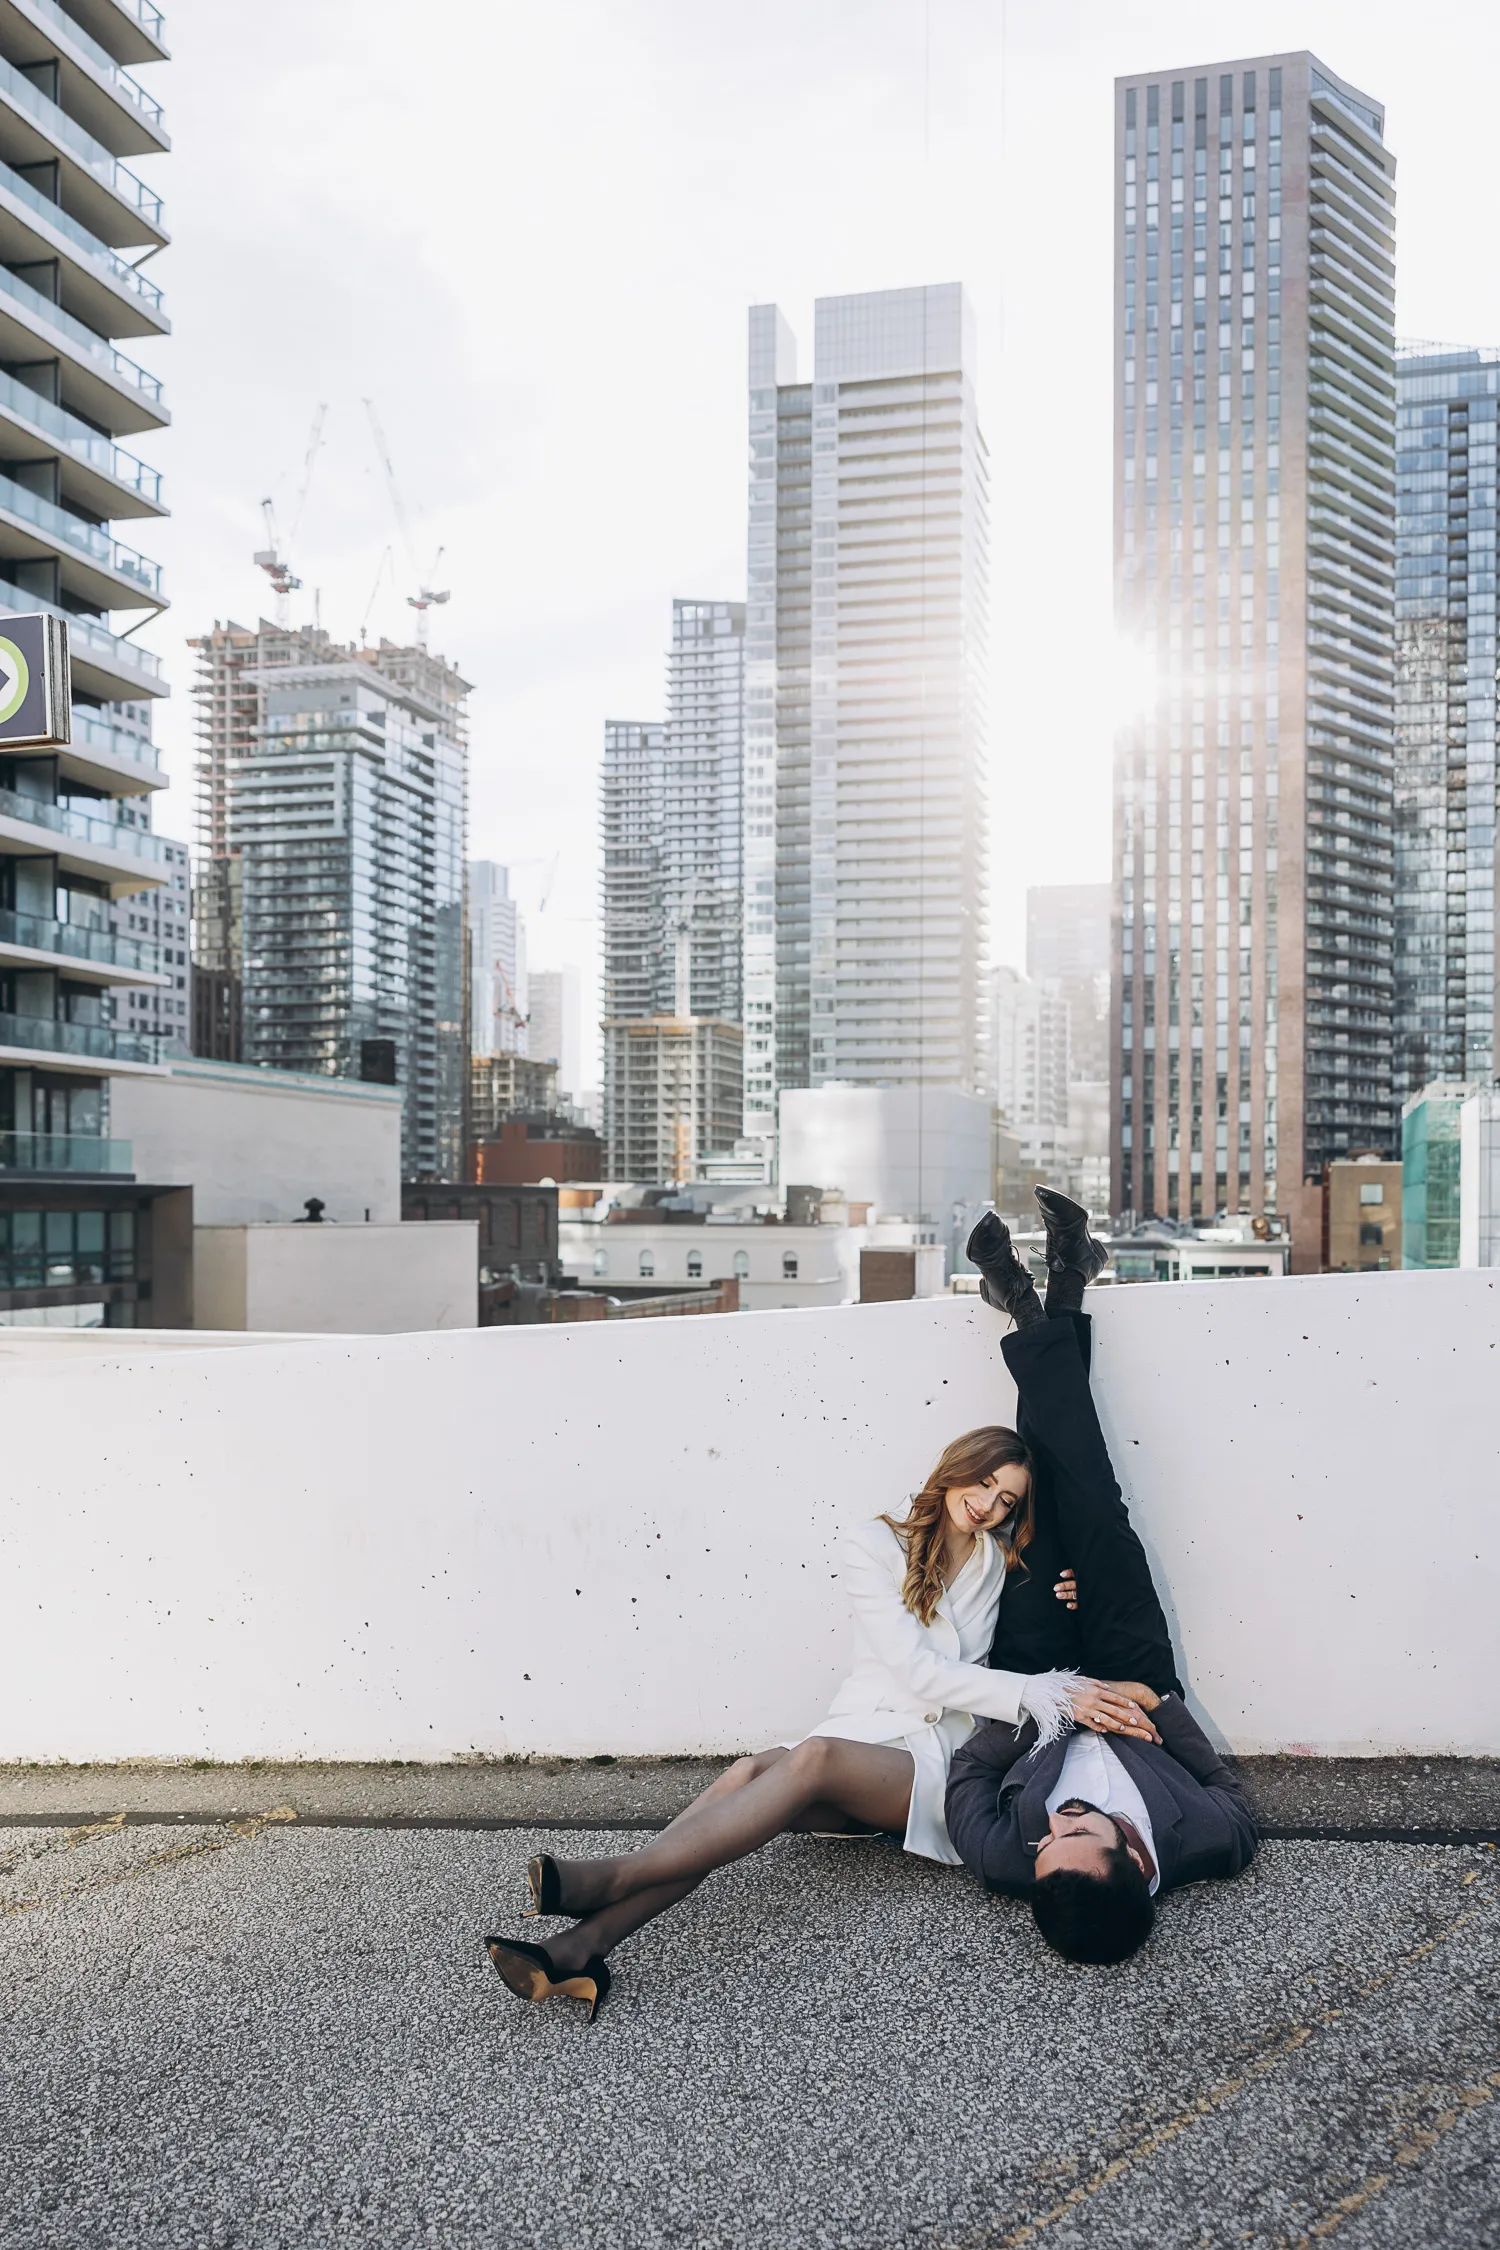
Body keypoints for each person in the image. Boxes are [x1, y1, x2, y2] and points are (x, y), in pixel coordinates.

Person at [483, 1192, 1162, 2022]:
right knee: (747, 1777)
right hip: (869, 1733)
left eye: (1005, 1499)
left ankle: (617, 1873)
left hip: (937, 1761)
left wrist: (1062, 1607)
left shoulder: (999, 1561)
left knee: (809, 1760)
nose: (988, 1505)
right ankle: (580, 1951)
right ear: (951, 1475)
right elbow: (908, 1664)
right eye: (981, 1483)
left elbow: (1067, 1481)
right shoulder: (869, 1544)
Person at [944, 1190, 1260, 1966]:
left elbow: (966, 1780)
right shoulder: (1210, 1842)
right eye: (1081, 1831)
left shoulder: (1010, 1860)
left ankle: (1048, 1293)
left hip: (1042, 1683)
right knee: (1095, 1501)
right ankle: (1042, 1296)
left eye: (1051, 1837)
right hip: (1131, 1673)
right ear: (1140, 1860)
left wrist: (1033, 1707)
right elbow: (1229, 1793)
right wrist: (1150, 1703)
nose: (1061, 1819)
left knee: (1041, 1502)